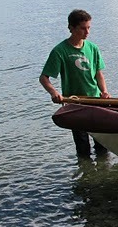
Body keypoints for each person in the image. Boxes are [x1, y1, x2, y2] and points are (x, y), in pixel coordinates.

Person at [40, 9, 111, 158]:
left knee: (102, 146)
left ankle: (104, 175)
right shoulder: (60, 51)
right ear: (71, 28)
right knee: (82, 147)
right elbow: (44, 78)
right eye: (83, 28)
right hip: (75, 104)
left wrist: (104, 91)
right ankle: (85, 174)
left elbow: (98, 73)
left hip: (96, 101)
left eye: (89, 28)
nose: (87, 32)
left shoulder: (93, 48)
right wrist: (54, 93)